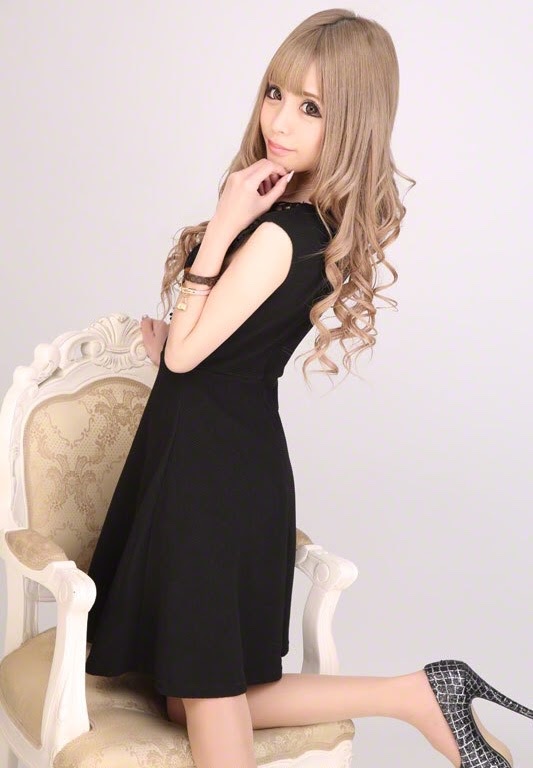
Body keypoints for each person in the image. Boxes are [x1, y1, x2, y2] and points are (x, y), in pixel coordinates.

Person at [85, 9, 532, 768]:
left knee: (208, 694)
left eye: (312, 107)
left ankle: (419, 696)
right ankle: (417, 695)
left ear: (351, 122)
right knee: (187, 695)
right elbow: (213, 350)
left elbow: (188, 356)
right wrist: (178, 349)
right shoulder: (314, 223)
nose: (280, 122)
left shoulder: (273, 231)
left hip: (207, 479)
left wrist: (223, 222)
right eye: (276, 94)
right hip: (228, 459)